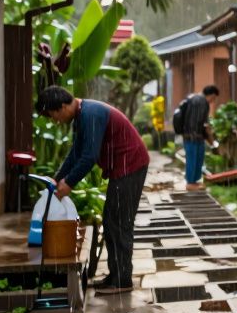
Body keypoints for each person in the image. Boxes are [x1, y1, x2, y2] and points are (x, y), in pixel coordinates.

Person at [37, 85, 151, 295]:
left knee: (119, 222)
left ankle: (123, 279)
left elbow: (89, 156)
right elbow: (76, 153)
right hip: (123, 167)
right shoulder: (82, 115)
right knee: (111, 221)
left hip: (130, 165)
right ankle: (116, 275)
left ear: (63, 107)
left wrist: (69, 183)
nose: (56, 121)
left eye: (54, 115)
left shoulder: (89, 114)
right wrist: (58, 178)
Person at [179, 85, 219, 190]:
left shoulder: (195, 99)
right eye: (213, 98)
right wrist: (210, 138)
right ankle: (190, 183)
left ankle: (195, 182)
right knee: (193, 159)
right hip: (193, 136)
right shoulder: (201, 102)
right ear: (211, 95)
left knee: (197, 159)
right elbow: (201, 123)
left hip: (192, 135)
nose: (213, 101)